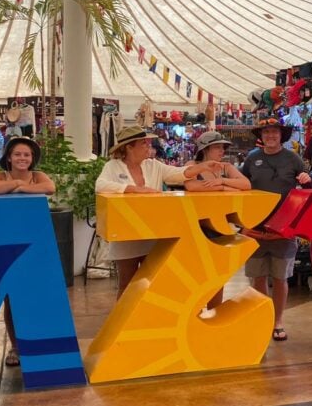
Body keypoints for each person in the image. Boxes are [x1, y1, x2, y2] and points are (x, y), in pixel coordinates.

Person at [95, 126, 223, 297]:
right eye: (144, 143)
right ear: (129, 147)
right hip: (126, 234)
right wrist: (133, 189)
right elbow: (100, 185)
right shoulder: (113, 166)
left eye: (148, 143)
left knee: (152, 284)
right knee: (126, 283)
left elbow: (178, 173)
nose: (149, 147)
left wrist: (202, 167)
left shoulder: (153, 165)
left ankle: (149, 321)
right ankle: (127, 322)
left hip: (153, 233)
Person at [0, 137, 56, 367]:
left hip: (34, 243)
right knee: (10, 298)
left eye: (26, 155)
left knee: (34, 294)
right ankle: (15, 346)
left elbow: (50, 187)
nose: (22, 158)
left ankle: (36, 340)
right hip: (4, 243)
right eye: (17, 154)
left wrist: (20, 186)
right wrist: (17, 185)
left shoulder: (39, 176)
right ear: (8, 157)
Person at [240, 118, 312, 342]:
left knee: (281, 278)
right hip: (255, 226)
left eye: (274, 132)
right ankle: (263, 317)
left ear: (282, 135)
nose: (270, 136)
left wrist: (308, 181)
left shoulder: (293, 159)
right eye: (266, 132)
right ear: (260, 136)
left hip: (284, 229)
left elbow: (310, 190)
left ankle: (278, 321)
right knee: (258, 276)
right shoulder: (252, 159)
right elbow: (241, 188)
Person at [185, 131, 251, 310]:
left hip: (220, 227)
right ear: (205, 149)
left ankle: (214, 312)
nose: (221, 151)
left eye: (222, 147)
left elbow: (246, 185)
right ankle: (195, 312)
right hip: (197, 226)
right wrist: (228, 188)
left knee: (217, 274)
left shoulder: (225, 168)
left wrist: (221, 183)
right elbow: (191, 186)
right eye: (217, 147)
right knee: (197, 274)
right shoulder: (193, 165)